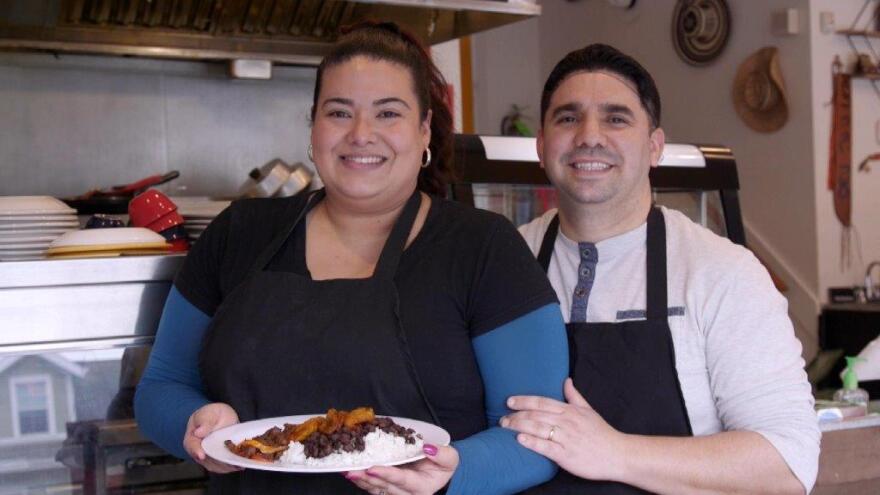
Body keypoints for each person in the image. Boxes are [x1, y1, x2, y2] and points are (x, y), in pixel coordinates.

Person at [134, 23, 569, 494]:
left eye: (388, 114)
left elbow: (538, 435)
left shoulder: (484, 249)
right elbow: (162, 385)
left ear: (424, 130)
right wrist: (193, 424)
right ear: (314, 127)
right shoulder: (239, 232)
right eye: (339, 112)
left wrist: (451, 472)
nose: (361, 134)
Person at [504, 44, 820, 494]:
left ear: (654, 147)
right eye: (568, 118)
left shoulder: (723, 273)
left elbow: (786, 466)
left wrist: (614, 452)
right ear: (541, 144)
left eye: (616, 118)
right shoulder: (503, 263)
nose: (589, 136)